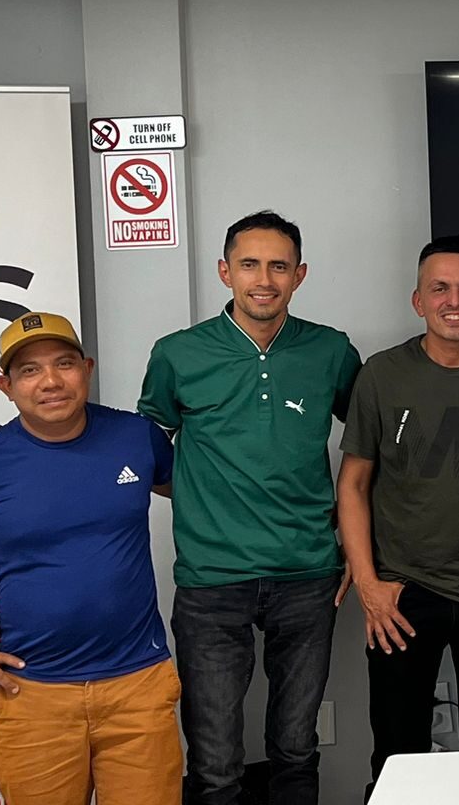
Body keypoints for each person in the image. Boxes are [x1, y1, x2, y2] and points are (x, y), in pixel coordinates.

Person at [0, 313, 180, 805]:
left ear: (86, 368)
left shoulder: (137, 437)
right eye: (29, 370)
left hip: (138, 687)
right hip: (34, 694)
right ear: (5, 385)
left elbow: (203, 499)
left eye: (64, 363)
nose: (50, 381)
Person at [139, 211, 361, 805]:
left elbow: (368, 445)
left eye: (279, 266)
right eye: (249, 264)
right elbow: (148, 444)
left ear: (299, 274)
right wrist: (197, 493)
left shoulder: (331, 350)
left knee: (295, 749)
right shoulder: (178, 354)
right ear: (225, 271)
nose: (264, 279)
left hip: (308, 575)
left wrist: (354, 537)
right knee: (214, 764)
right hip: (212, 582)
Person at [337, 238, 459, 785]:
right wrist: (369, 586)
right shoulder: (381, 374)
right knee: (398, 759)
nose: (455, 300)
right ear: (418, 301)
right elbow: (352, 484)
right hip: (402, 596)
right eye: (440, 288)